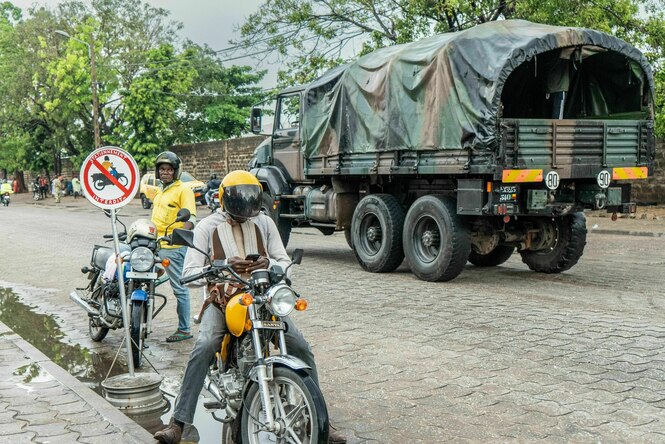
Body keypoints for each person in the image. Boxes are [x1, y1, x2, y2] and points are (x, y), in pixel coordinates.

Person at [154, 170, 346, 444]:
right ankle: (179, 422)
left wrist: (269, 264)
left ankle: (316, 418)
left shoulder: (264, 222)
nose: (246, 210)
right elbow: (189, 273)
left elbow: (282, 259)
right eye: (239, 203)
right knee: (206, 343)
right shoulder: (207, 226)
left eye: (250, 203)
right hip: (223, 299)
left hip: (263, 297)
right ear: (225, 199)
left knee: (301, 346)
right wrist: (218, 268)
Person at [151, 151, 197, 343]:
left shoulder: (183, 190)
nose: (165, 173)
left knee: (179, 288)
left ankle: (184, 329)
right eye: (162, 169)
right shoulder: (161, 190)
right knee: (142, 277)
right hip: (154, 242)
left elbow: (191, 219)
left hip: (172, 245)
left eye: (169, 170)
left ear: (176, 171)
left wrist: (177, 237)